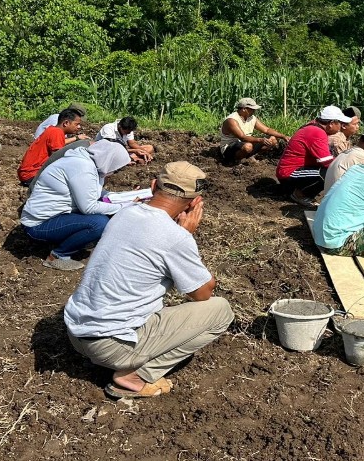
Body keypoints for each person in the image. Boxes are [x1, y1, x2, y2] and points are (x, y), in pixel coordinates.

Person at [65, 161, 234, 399]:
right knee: (221, 311)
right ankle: (135, 377)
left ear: (153, 186)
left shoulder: (125, 212)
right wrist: (185, 236)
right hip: (111, 345)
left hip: (76, 332)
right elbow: (202, 294)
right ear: (195, 202)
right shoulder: (176, 237)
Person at [20, 140, 133, 270]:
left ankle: (64, 240)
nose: (115, 171)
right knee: (99, 223)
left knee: (101, 214)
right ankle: (57, 256)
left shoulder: (86, 162)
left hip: (51, 217)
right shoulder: (82, 167)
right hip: (37, 225)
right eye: (116, 167)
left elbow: (91, 191)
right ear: (109, 160)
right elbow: (89, 207)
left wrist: (116, 197)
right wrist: (122, 207)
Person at [275, 105, 351, 208]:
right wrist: (346, 165)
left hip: (291, 172)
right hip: (289, 174)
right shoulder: (317, 132)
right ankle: (299, 195)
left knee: (329, 170)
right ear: (331, 123)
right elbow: (326, 162)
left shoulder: (313, 126)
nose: (341, 127)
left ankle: (301, 192)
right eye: (340, 123)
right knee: (327, 173)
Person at [17, 108, 85, 184]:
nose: (79, 127)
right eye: (77, 124)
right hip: (32, 174)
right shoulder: (57, 133)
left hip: (28, 173)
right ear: (66, 123)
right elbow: (58, 159)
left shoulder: (53, 130)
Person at [219, 98, 288, 165]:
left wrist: (283, 136)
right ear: (244, 109)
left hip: (247, 143)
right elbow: (242, 137)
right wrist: (260, 140)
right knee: (248, 146)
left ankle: (252, 156)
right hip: (230, 147)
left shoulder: (251, 118)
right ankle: (236, 160)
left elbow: (266, 130)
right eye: (252, 109)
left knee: (272, 139)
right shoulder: (231, 120)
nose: (254, 111)